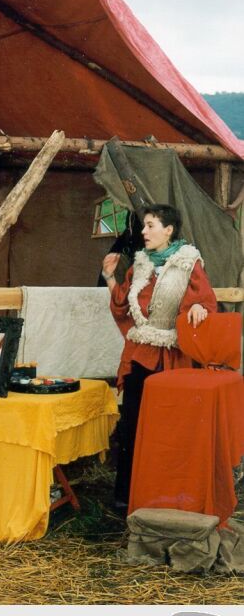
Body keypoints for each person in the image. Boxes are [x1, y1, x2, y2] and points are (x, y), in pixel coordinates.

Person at [102, 204, 217, 511]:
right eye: (144, 226)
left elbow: (206, 300)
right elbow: (122, 304)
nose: (144, 231)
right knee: (133, 427)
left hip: (173, 360)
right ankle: (127, 497)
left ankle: (166, 499)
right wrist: (109, 276)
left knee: (169, 429)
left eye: (150, 225)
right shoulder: (139, 264)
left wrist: (199, 308)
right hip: (141, 357)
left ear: (169, 230)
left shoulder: (188, 263)